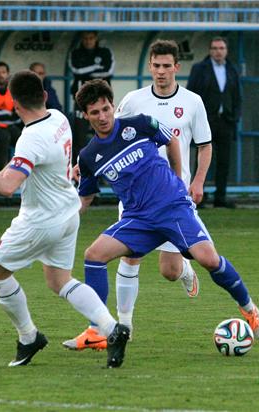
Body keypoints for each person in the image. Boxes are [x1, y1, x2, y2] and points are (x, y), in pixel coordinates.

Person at [64, 79, 259, 353]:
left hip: (173, 207)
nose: (102, 117)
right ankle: (97, 330)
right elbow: (85, 197)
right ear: (85, 115)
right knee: (94, 255)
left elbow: (171, 139)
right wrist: (63, 221)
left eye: (105, 109)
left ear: (113, 106)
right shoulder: (89, 156)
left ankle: (249, 308)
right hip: (138, 219)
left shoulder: (139, 124)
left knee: (208, 260)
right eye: (95, 112)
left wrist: (176, 178)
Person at [0, 70, 129, 369]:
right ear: (44, 95)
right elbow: (21, 166)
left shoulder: (30, 138)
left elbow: (7, 186)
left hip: (40, 220)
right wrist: (7, 170)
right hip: (68, 212)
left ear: (14, 105)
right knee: (60, 281)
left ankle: (29, 336)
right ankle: (112, 329)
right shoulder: (58, 117)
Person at [63, 40, 213, 351]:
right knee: (130, 258)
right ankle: (123, 327)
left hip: (173, 195)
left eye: (166, 65)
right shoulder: (133, 101)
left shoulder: (193, 102)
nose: (161, 71)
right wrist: (82, 164)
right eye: (156, 66)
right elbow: (107, 136)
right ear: (150, 67)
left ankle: (184, 269)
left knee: (168, 270)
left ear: (176, 67)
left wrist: (196, 180)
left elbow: (204, 144)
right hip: (134, 200)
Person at [187, 36, 242, 208]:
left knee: (224, 160)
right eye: (215, 48)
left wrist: (234, 117)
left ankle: (221, 197)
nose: (218, 52)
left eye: (221, 48)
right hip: (205, 121)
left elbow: (237, 97)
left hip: (225, 121)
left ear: (226, 51)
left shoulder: (232, 70)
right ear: (210, 51)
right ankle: (197, 196)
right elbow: (191, 94)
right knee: (202, 159)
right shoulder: (199, 69)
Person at [68, 31, 115, 165]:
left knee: (107, 134)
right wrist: (96, 68)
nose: (88, 41)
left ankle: (107, 169)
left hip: (103, 100)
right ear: (82, 40)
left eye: (91, 38)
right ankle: (79, 170)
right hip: (81, 102)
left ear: (96, 38)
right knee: (79, 137)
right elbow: (76, 71)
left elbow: (109, 71)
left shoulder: (105, 52)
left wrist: (86, 72)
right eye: (85, 38)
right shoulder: (76, 53)